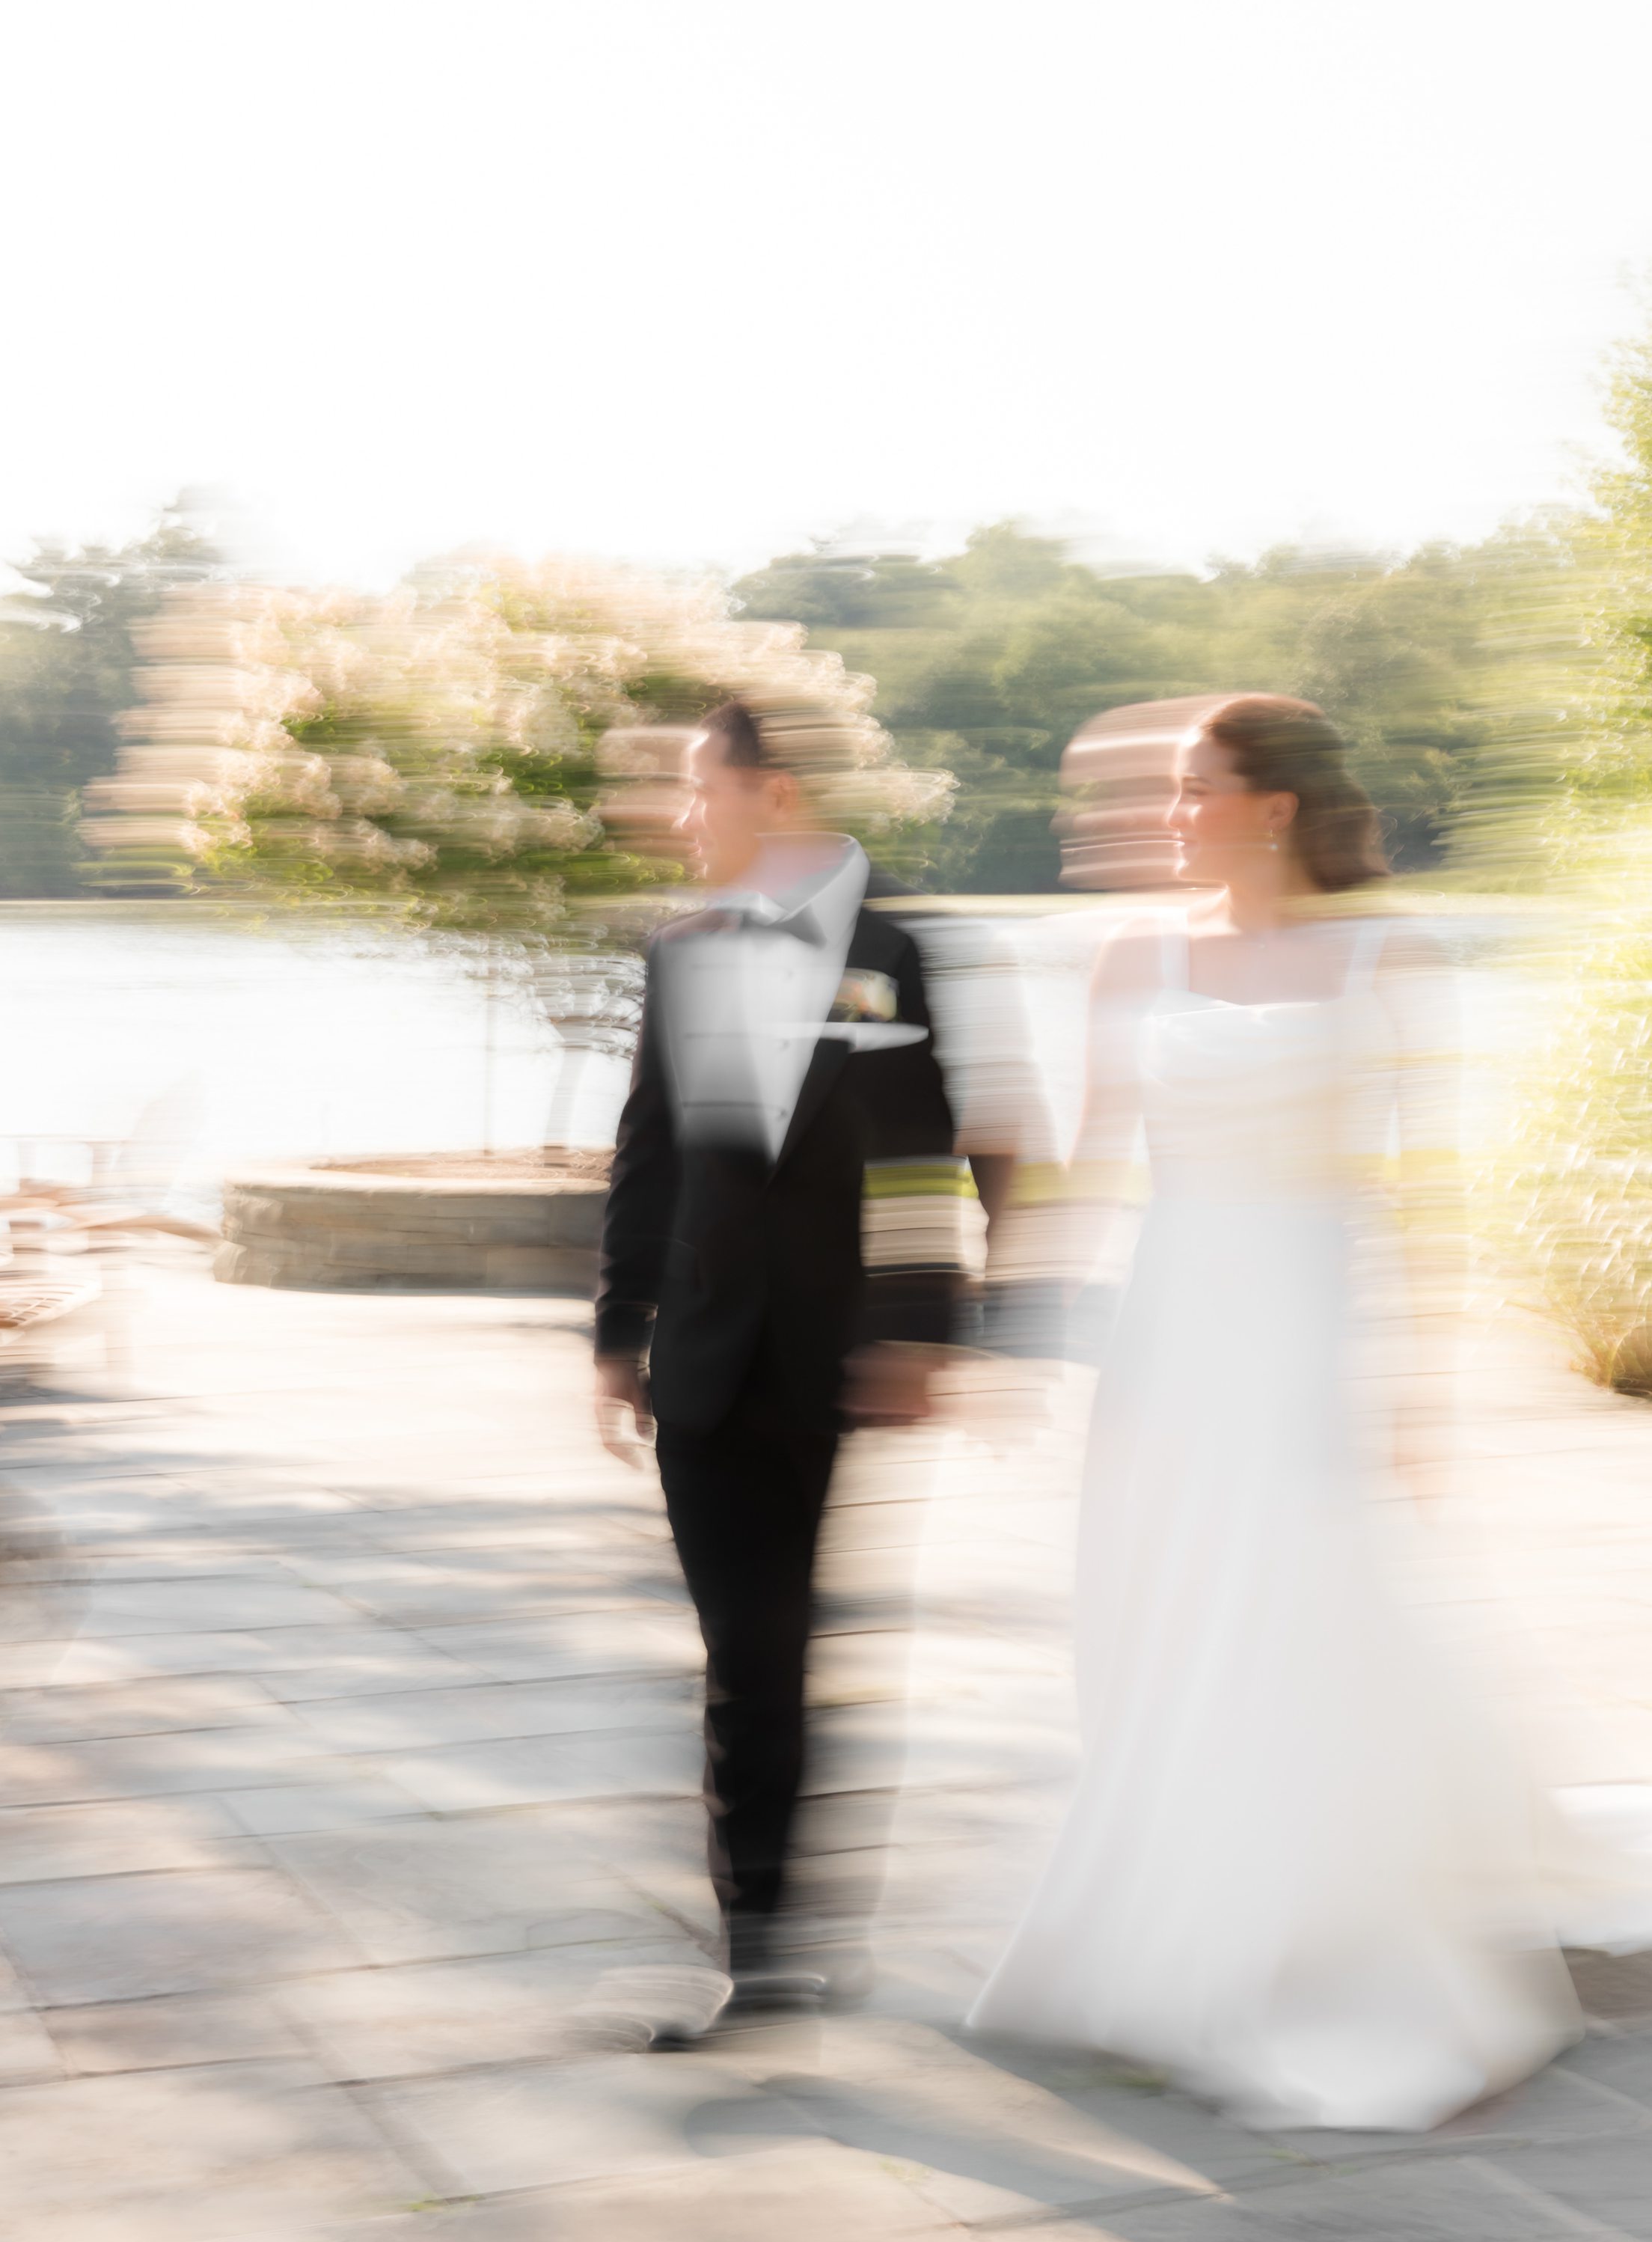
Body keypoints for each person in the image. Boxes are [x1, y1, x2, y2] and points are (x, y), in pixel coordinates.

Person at [970, 691, 1606, 2131]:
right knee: (1174, 1606)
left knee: (1304, 1601)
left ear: (1275, 804)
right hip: (1173, 1325)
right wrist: (1021, 1335)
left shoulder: (1394, 951)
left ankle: (1323, 1923)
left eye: (1200, 787)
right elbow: (1088, 1166)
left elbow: (1425, 1200)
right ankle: (1180, 1905)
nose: (1172, 810)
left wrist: (1413, 1385)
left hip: (1305, 1320)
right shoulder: (1132, 955)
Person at [594, 697, 972, 2031]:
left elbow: (928, 1149)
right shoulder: (682, 952)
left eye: (700, 787)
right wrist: (613, 1333)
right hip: (697, 1356)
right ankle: (761, 1945)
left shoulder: (890, 952)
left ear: (777, 794)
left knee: (780, 1644)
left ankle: (773, 1945)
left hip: (828, 1358)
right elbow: (648, 1149)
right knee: (737, 1649)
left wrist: (922, 1327)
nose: (681, 813)